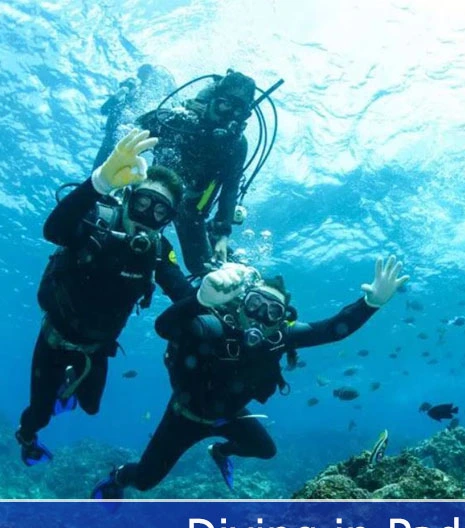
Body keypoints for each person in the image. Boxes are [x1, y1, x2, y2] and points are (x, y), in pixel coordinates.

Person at [90, 256, 409, 498]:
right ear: (242, 304)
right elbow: (164, 327)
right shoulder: (213, 323)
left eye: (272, 312)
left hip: (228, 416)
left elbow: (331, 330)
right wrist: (199, 301)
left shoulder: (280, 338)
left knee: (266, 450)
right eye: (255, 303)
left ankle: (220, 451)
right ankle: (118, 476)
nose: (260, 316)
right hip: (183, 416)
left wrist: (370, 303)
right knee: (144, 481)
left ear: (281, 320)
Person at [16, 129, 194, 466]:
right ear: (128, 196)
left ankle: (68, 383)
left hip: (97, 347)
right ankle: (26, 436)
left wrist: (210, 296)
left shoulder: (159, 249)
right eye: (143, 202)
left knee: (91, 407)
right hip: (54, 339)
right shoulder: (97, 218)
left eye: (160, 212)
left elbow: (182, 293)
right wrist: (98, 183)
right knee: (39, 415)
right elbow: (54, 231)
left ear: (168, 221)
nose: (148, 215)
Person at [135, 69, 258, 276]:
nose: (229, 117)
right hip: (155, 200)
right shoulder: (179, 120)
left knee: (201, 267)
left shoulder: (236, 145)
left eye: (239, 112)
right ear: (211, 100)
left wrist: (223, 235)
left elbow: (230, 189)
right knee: (135, 247)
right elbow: (135, 131)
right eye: (225, 105)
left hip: (193, 211)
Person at [93, 64, 176, 171]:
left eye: (146, 73)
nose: (144, 77)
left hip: (133, 143)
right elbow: (104, 109)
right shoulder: (129, 90)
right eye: (142, 73)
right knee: (99, 172)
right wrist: (119, 94)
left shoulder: (152, 95)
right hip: (112, 138)